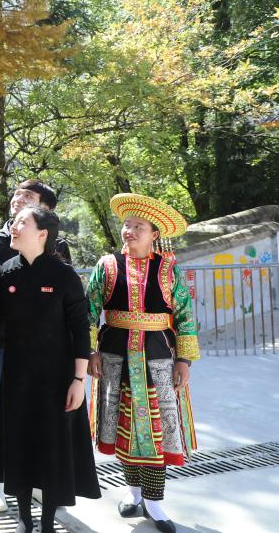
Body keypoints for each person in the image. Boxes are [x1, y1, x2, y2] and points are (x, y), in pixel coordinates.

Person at [0, 207, 100, 532]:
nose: (14, 225)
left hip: (58, 378)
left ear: (42, 234)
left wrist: (78, 380)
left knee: (52, 449)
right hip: (17, 376)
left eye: (23, 221)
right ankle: (24, 519)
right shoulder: (4, 273)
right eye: (15, 220)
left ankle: (48, 522)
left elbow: (80, 330)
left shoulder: (64, 276)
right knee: (19, 446)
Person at [87, 193, 200, 533]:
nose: (130, 231)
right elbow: (88, 311)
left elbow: (185, 315)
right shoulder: (107, 266)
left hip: (158, 357)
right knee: (123, 424)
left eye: (139, 226)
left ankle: (154, 500)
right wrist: (89, 351)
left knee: (155, 428)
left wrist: (184, 359)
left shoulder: (168, 268)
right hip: (114, 357)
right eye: (127, 224)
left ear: (154, 234)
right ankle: (134, 491)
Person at [0, 179, 73, 512]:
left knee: (40, 408)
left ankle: (36, 480)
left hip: (46, 345)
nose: (18, 198)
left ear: (45, 209)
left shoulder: (58, 245)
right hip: (5, 342)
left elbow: (67, 301)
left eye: (29, 196)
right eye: (17, 193)